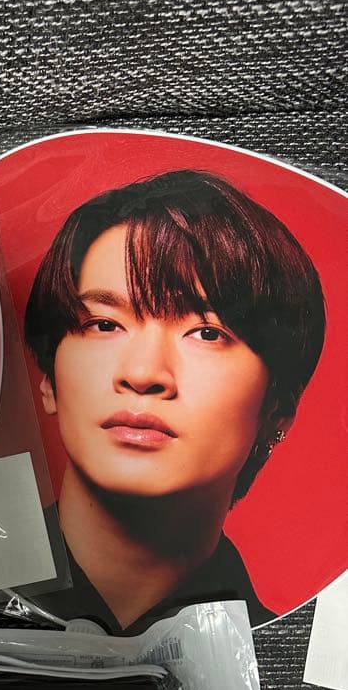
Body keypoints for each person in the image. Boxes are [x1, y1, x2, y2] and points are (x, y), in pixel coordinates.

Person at [24, 169, 326, 631]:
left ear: (278, 410)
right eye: (104, 324)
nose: (143, 374)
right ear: (49, 378)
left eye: (206, 333)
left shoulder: (296, 656)